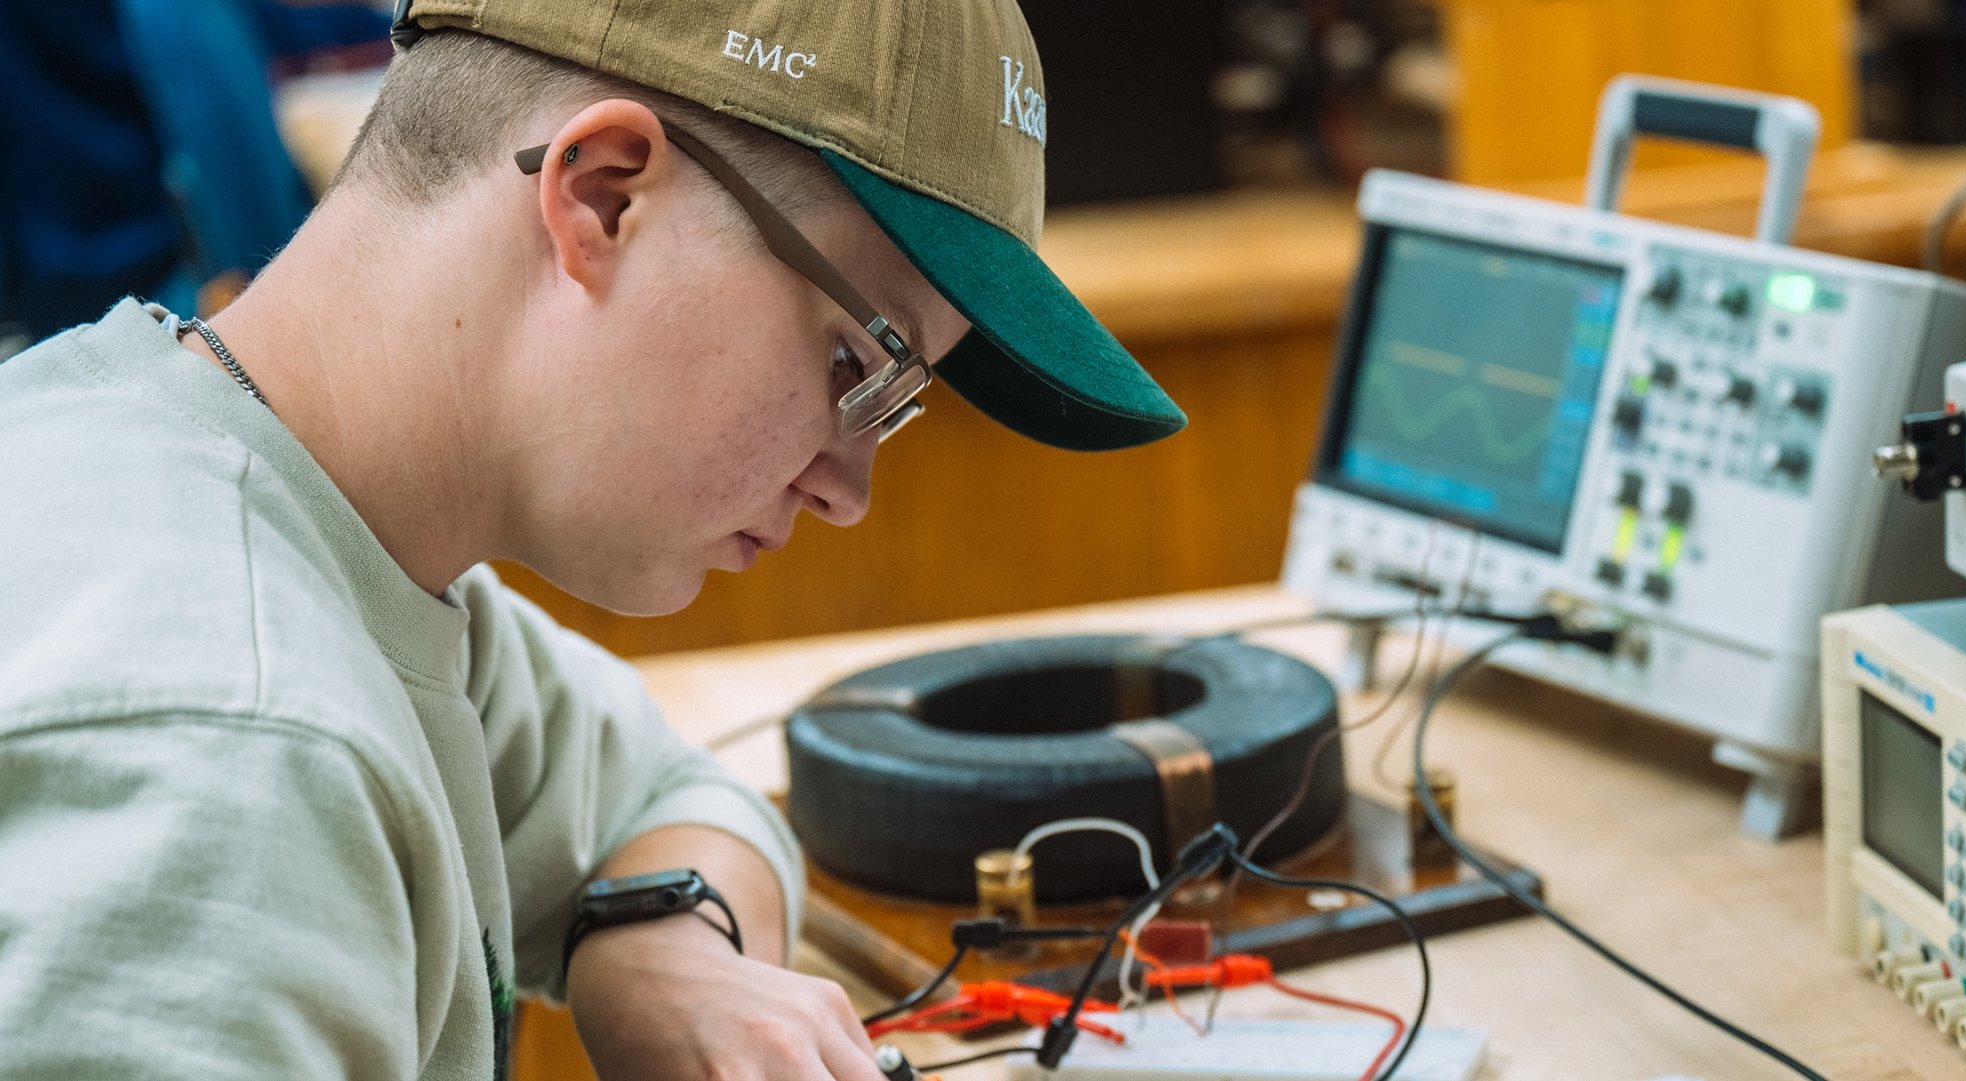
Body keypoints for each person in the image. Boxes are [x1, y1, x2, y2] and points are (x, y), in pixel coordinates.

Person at [0, 1, 1186, 1079]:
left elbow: (664, 787)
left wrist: (664, 952)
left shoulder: (329, 537)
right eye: (855, 366)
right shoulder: (232, 752)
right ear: (605, 195)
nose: (848, 490)